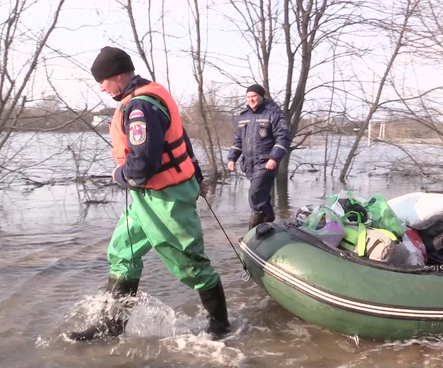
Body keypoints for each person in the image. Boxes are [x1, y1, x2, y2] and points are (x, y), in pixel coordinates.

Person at [65, 46, 229, 341]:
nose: (101, 88)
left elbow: (142, 167)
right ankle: (111, 327)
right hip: (145, 197)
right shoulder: (143, 97)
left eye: (102, 81)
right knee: (121, 252)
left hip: (167, 197)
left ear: (116, 75)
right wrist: (199, 176)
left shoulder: (142, 106)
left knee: (189, 262)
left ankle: (220, 327)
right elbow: (182, 143)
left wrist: (118, 174)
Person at [227, 84, 291, 229]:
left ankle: (253, 231)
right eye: (248, 97)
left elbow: (283, 138)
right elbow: (238, 141)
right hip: (249, 163)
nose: (251, 99)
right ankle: (267, 222)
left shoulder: (273, 113)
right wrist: (232, 158)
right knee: (261, 196)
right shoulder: (244, 116)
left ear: (262, 97)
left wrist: (274, 158)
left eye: (254, 96)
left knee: (254, 194)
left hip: (266, 162)